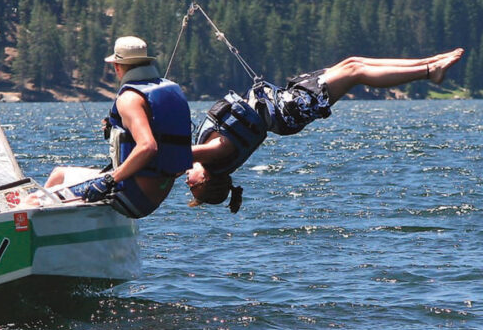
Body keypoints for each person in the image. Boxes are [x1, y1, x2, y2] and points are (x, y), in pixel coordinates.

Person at [186, 48, 466, 212]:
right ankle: (430, 71)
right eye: (192, 187)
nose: (187, 182)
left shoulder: (212, 162)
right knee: (356, 73)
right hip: (292, 109)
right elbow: (180, 155)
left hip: (286, 102)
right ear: (205, 179)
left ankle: (431, 63)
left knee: (353, 63)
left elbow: (181, 158)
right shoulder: (218, 155)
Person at [42, 36, 193, 218]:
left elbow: (148, 146)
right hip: (155, 196)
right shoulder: (170, 89)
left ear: (117, 67)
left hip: (131, 196)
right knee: (59, 174)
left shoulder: (129, 98)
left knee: (36, 200)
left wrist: (109, 180)